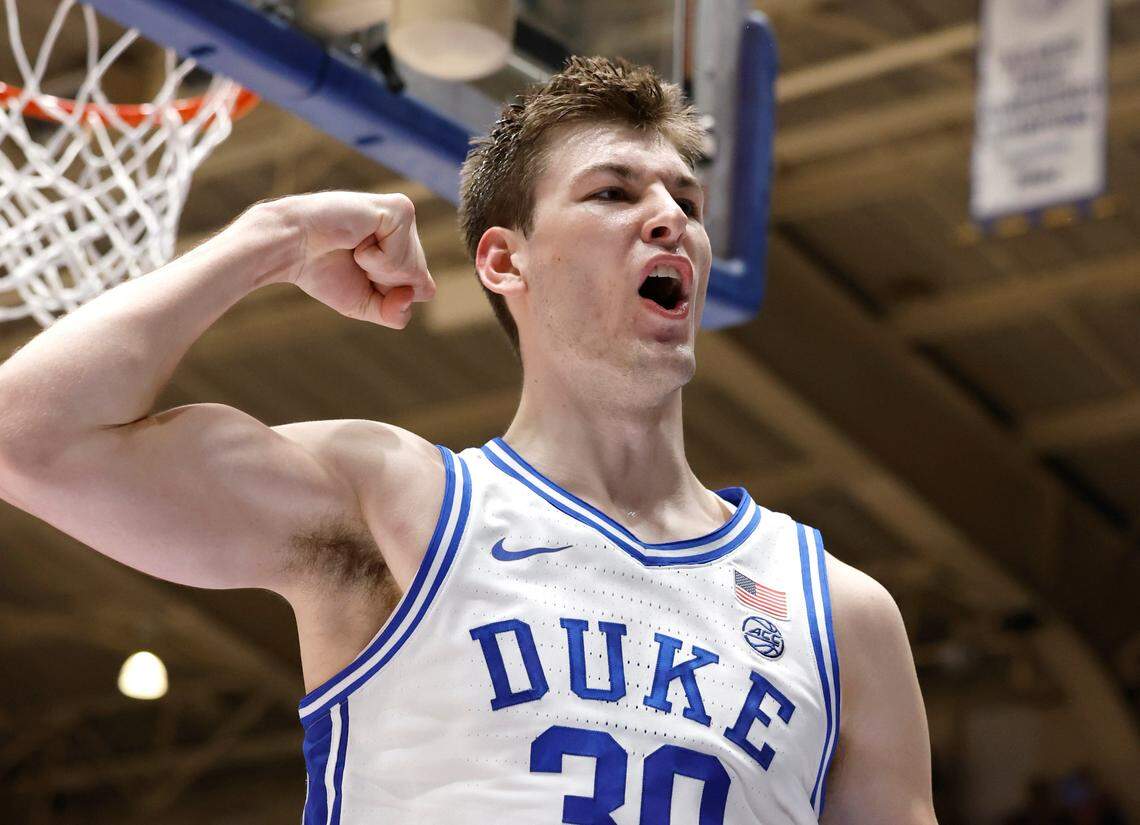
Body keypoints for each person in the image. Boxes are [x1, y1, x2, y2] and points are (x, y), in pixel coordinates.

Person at [0, 57, 938, 824]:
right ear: (503, 259)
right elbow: (26, 437)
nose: (671, 220)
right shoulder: (396, 504)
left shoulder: (841, 615)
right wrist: (276, 235)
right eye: (613, 192)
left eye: (686, 203)